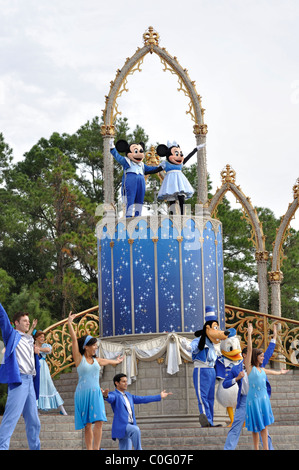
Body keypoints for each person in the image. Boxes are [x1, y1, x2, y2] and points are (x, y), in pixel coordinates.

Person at [67, 311, 124, 450]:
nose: (95, 348)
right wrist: (70, 323)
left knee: (99, 422)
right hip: (83, 393)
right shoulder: (79, 359)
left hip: (96, 393)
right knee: (87, 425)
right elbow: (74, 341)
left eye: (96, 346)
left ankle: (97, 448)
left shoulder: (97, 360)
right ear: (86, 346)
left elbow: (108, 361)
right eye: (93, 345)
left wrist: (116, 361)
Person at [223, 324, 278, 450]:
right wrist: (236, 378)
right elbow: (225, 384)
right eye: (250, 353)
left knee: (263, 427)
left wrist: (274, 337)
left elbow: (269, 352)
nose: (253, 355)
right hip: (244, 401)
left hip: (258, 399)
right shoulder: (236, 369)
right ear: (244, 355)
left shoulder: (259, 364)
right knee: (236, 426)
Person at [0, 303, 41, 450]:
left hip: (30, 382)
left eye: (28, 321)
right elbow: (3, 318)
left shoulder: (29, 339)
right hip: (19, 381)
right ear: (16, 323)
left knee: (34, 422)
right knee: (10, 420)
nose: (27, 323)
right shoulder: (11, 335)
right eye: (24, 321)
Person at [244, 323, 288, 450]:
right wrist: (249, 334)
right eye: (261, 356)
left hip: (263, 400)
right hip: (254, 400)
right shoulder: (249, 368)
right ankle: (256, 448)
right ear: (255, 357)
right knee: (256, 427)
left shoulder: (262, 369)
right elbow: (250, 349)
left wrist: (281, 372)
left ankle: (266, 449)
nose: (263, 358)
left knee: (264, 426)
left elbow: (274, 372)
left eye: (263, 356)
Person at [102, 373, 172, 450]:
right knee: (135, 430)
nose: (126, 383)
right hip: (122, 426)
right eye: (123, 381)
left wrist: (159, 396)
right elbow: (110, 398)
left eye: (126, 381)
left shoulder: (129, 395)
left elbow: (143, 399)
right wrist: (106, 396)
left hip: (130, 426)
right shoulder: (114, 394)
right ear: (117, 383)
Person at [33, 329, 67, 415]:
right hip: (35, 367)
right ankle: (36, 410)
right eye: (40, 337)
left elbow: (48, 350)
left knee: (51, 386)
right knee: (36, 387)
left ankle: (62, 409)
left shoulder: (45, 345)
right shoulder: (31, 345)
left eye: (43, 337)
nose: (42, 338)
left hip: (43, 368)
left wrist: (38, 349)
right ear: (36, 338)